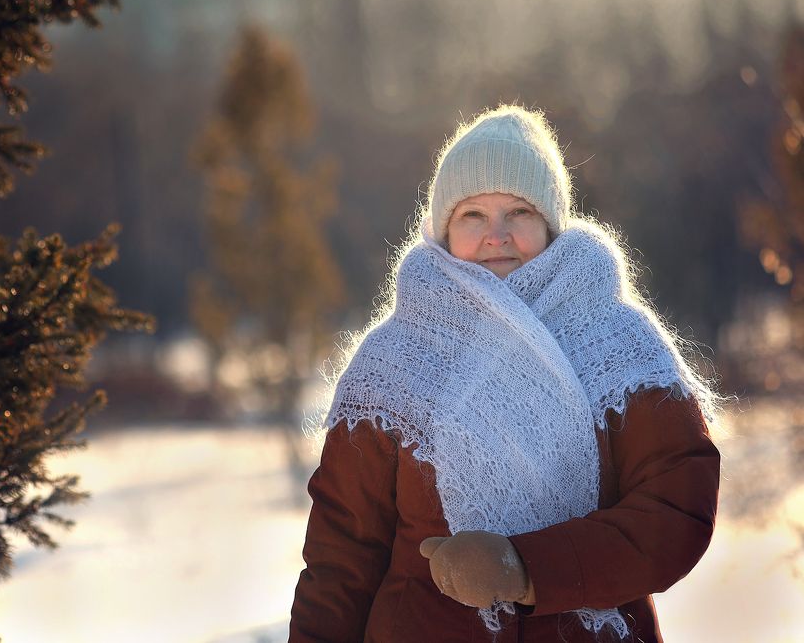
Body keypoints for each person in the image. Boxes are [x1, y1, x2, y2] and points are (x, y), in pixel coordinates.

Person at [288, 104, 721, 642]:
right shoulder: (392, 363)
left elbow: (675, 512)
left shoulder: (618, 343)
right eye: (473, 215)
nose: (497, 235)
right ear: (444, 229)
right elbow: (342, 558)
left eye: (519, 211)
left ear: (550, 224)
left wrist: (526, 569)